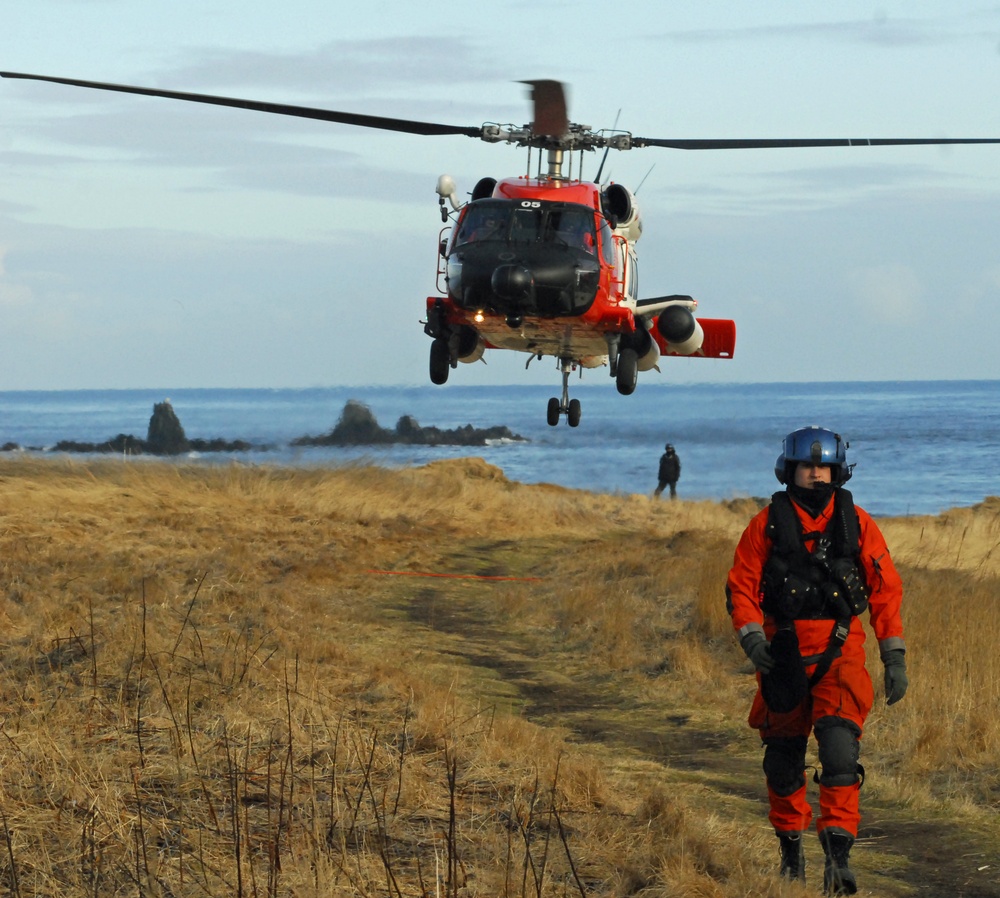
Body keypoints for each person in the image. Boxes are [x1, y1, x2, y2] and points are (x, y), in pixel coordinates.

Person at [725, 426, 907, 895]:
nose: (815, 474)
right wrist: (751, 640)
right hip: (781, 655)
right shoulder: (764, 524)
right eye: (807, 466)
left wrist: (894, 655)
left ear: (837, 471)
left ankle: (838, 855)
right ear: (790, 470)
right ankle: (790, 852)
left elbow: (886, 589)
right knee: (783, 764)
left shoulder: (858, 523)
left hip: (840, 652)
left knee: (840, 751)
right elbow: (740, 587)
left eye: (822, 466)